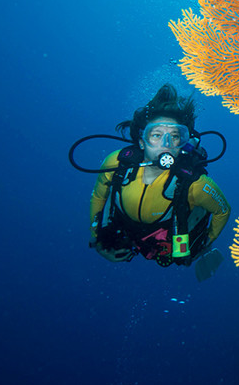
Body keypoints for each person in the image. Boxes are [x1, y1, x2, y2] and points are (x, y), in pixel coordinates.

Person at [89, 84, 230, 267]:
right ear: (141, 142)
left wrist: (204, 243)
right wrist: (98, 240)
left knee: (183, 255)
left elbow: (223, 210)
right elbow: (99, 196)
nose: (166, 143)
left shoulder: (195, 184)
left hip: (170, 235)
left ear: (183, 142)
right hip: (128, 231)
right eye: (156, 135)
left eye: (175, 136)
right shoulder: (116, 163)